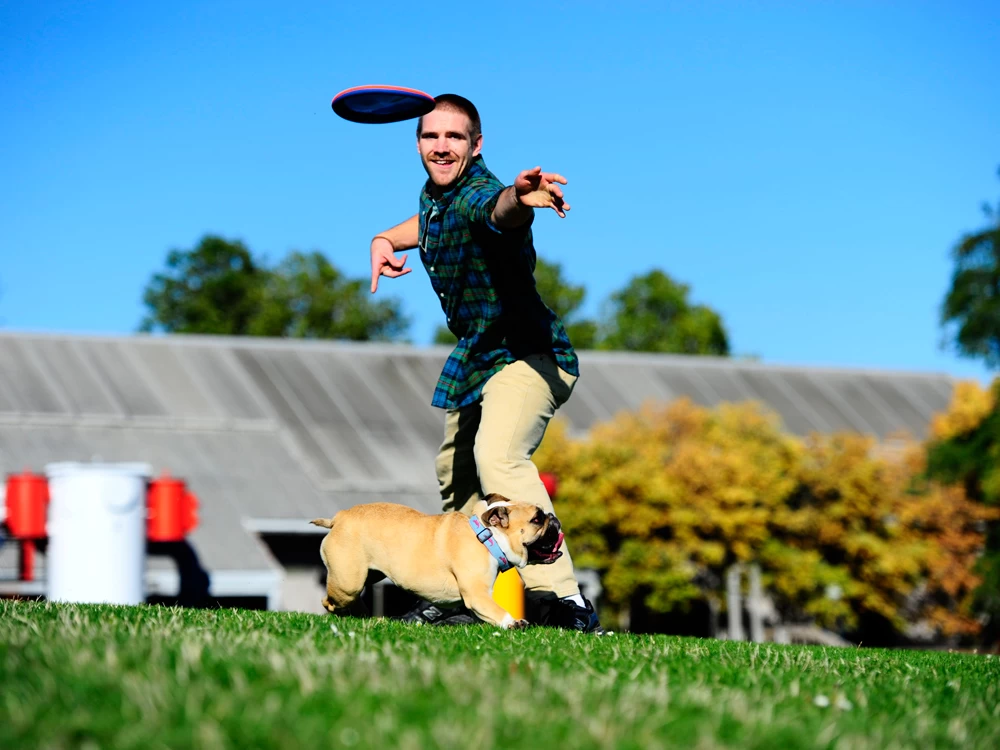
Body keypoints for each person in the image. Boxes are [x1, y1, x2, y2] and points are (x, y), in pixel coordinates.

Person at [367, 93, 603, 633]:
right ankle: (462, 593)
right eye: (431, 136)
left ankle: (564, 599)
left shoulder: (480, 194)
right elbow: (427, 222)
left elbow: (497, 212)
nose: (442, 146)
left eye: (455, 137)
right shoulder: (435, 198)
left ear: (476, 146)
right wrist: (383, 238)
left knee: (499, 457)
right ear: (419, 143)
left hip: (529, 355)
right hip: (481, 357)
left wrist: (520, 197)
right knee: (456, 475)